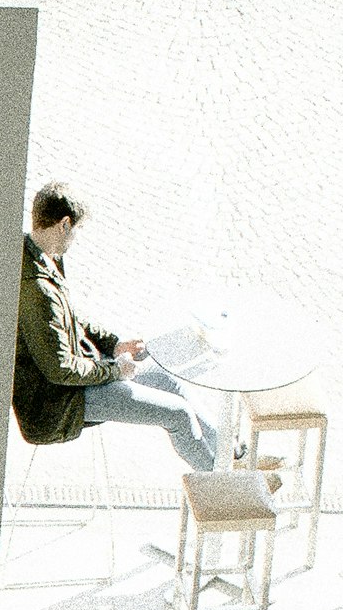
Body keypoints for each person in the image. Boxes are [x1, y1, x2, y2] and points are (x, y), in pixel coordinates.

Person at [13, 189, 229, 469]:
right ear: (64, 224)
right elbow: (61, 369)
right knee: (178, 414)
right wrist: (116, 370)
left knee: (169, 382)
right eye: (76, 230)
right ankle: (224, 486)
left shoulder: (43, 257)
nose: (75, 239)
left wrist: (113, 345)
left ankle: (231, 455)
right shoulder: (37, 287)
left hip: (80, 377)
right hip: (59, 403)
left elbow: (69, 319)